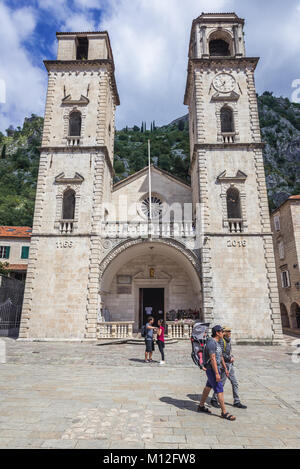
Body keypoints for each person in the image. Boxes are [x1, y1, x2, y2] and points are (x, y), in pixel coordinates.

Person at [198, 325, 236, 421]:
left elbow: (221, 356)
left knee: (208, 387)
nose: (223, 333)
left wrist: (225, 368)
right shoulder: (211, 343)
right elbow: (213, 358)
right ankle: (224, 412)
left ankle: (201, 406)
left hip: (216, 369)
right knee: (219, 390)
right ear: (217, 333)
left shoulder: (218, 342)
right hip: (212, 370)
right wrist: (217, 373)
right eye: (221, 331)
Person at [210, 326, 247, 409]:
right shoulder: (221, 341)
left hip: (230, 365)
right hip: (224, 365)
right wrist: (229, 358)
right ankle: (214, 399)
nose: (230, 332)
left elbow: (228, 352)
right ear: (224, 332)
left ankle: (237, 401)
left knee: (235, 382)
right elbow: (220, 354)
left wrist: (231, 356)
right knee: (221, 383)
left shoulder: (228, 340)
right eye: (228, 331)